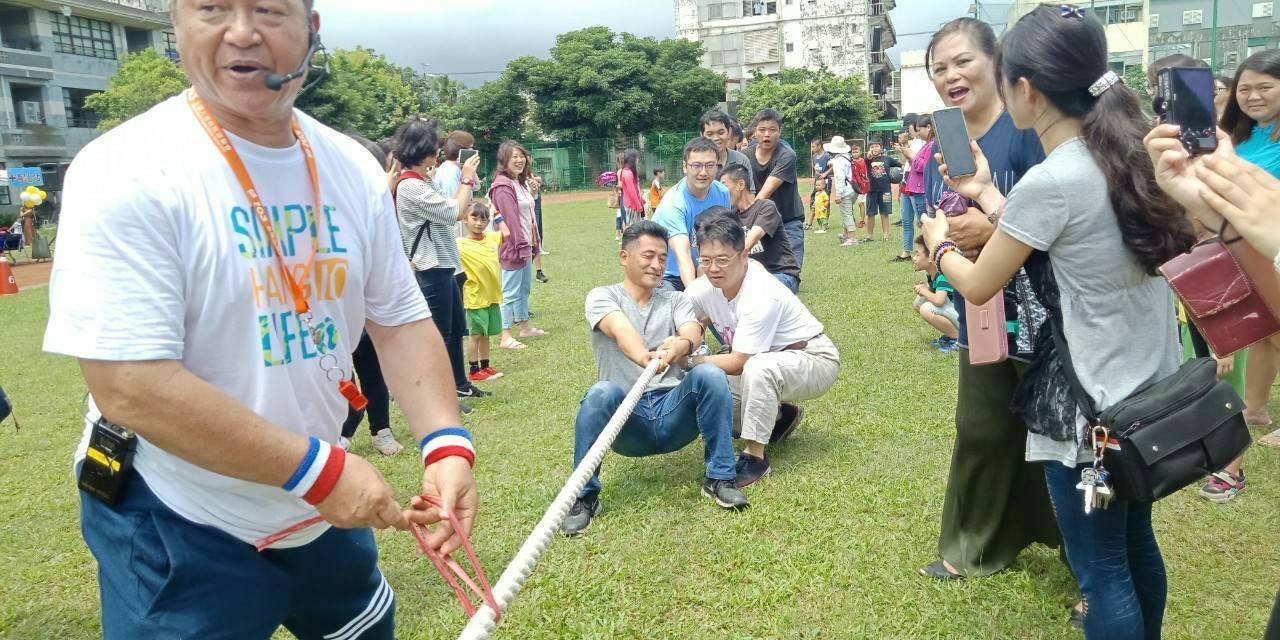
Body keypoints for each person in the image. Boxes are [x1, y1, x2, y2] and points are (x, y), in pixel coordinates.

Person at [42, 1, 477, 635]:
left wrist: (445, 442)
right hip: (177, 516)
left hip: (320, 509)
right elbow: (130, 384)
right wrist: (318, 472)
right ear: (176, 23)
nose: (241, 31)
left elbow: (401, 320)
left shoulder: (349, 167)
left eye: (269, 8)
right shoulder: (126, 170)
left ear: (311, 30)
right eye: (212, 7)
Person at [922, 7, 1195, 636]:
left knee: (1101, 571)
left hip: (1089, 416)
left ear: (1025, 89)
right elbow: (1051, 229)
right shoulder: (1123, 156)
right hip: (1146, 394)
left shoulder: (1055, 178)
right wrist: (989, 190)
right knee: (1134, 546)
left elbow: (979, 280)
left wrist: (938, 244)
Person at [917, 17, 1062, 588]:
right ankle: (972, 543)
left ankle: (1078, 554)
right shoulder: (939, 151)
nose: (950, 76)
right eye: (938, 68)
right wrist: (936, 251)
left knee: (1056, 433)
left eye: (961, 62)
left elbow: (1057, 225)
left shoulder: (1028, 130)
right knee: (981, 425)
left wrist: (989, 229)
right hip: (981, 308)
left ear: (995, 62)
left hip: (1046, 314)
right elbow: (940, 220)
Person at [561, 220, 748, 536]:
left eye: (663, 258)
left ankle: (720, 478)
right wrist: (644, 357)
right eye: (649, 255)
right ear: (624, 257)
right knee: (600, 393)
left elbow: (691, 328)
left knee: (709, 374)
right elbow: (620, 329)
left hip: (673, 412)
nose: (657, 264)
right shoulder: (602, 296)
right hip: (626, 420)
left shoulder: (674, 298)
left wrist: (682, 343)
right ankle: (584, 497)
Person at [686, 211, 840, 488]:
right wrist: (685, 334)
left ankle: (755, 457)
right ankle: (781, 416)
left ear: (743, 256)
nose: (713, 268)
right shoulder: (705, 287)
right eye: (705, 260)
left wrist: (690, 361)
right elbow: (679, 314)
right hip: (771, 361)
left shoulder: (760, 291)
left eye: (722, 260)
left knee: (756, 366)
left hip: (814, 358)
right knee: (712, 394)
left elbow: (740, 361)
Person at [391, 118, 490, 403]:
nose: (437, 151)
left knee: (456, 329)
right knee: (439, 336)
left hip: (445, 265)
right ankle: (440, 397)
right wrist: (466, 177)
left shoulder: (423, 181)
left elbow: (456, 209)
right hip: (430, 267)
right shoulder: (410, 186)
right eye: (433, 147)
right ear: (422, 151)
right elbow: (454, 212)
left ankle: (459, 384)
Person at [488, 140, 548, 350]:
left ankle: (525, 326)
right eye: (514, 156)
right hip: (513, 246)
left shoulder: (519, 182)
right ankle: (505, 335)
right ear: (504, 159)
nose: (519, 160)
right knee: (510, 291)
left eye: (521, 156)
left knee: (524, 288)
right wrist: (521, 246)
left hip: (525, 244)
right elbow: (510, 219)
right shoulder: (503, 186)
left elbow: (526, 211)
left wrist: (532, 192)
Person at [651, 137, 732, 292]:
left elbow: (723, 239)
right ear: (685, 167)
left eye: (710, 165)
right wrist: (697, 298)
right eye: (696, 165)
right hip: (669, 276)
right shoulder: (674, 203)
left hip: (706, 269)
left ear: (717, 167)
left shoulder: (722, 193)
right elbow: (683, 255)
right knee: (678, 308)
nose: (703, 172)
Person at [718, 165, 801, 293]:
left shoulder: (766, 207)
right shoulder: (731, 217)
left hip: (781, 275)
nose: (722, 192)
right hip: (752, 278)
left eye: (724, 186)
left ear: (740, 185)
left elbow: (750, 241)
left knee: (753, 293)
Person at [748, 109, 807, 269]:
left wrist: (747, 217)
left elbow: (765, 192)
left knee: (789, 273)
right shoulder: (745, 156)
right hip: (759, 222)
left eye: (772, 130)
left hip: (787, 221)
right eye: (762, 130)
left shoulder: (786, 155)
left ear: (779, 132)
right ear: (755, 132)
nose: (767, 134)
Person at [457, 202, 505, 383]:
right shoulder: (460, 244)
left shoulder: (491, 238)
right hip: (475, 297)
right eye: (474, 218)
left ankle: (486, 366)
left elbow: (506, 233)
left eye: (483, 219)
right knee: (475, 335)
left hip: (491, 295)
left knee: (486, 334)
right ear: (464, 220)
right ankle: (474, 369)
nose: (478, 223)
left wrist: (497, 214)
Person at [894, 115, 934, 261]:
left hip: (920, 189)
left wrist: (912, 156)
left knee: (924, 223)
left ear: (928, 127)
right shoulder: (924, 144)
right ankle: (909, 251)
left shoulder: (931, 145)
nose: (915, 132)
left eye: (918, 129)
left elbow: (925, 167)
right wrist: (905, 153)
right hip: (910, 186)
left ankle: (928, 254)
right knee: (908, 221)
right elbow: (906, 164)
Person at [911, 235, 959, 352]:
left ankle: (958, 339)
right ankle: (950, 334)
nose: (914, 258)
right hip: (954, 311)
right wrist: (925, 288)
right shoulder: (932, 273)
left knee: (926, 308)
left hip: (963, 317)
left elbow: (939, 300)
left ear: (930, 258)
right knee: (919, 302)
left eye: (918, 254)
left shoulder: (942, 275)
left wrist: (924, 291)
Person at [701, 108, 755, 191]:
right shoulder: (696, 163)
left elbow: (749, 197)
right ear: (702, 135)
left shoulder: (741, 160)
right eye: (710, 134)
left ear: (729, 132)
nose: (716, 138)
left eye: (721, 133)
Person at [862, 143, 901, 244]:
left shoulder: (887, 159)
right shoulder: (867, 160)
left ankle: (886, 235)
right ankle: (870, 236)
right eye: (872, 147)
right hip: (871, 191)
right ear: (869, 149)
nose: (874, 148)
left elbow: (900, 165)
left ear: (881, 147)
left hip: (886, 190)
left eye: (876, 146)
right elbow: (865, 160)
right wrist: (868, 156)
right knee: (870, 213)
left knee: (885, 213)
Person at [825, 135, 859, 247]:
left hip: (845, 190)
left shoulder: (838, 161)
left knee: (847, 214)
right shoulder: (847, 157)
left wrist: (838, 194)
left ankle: (852, 238)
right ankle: (845, 234)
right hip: (853, 189)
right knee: (848, 212)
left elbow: (840, 178)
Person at [807, 138, 832, 229]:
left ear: (819, 146)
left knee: (825, 201)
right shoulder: (813, 156)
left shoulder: (827, 156)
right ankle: (809, 223)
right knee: (814, 200)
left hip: (826, 181)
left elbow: (833, 166)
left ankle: (826, 222)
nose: (812, 148)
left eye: (813, 146)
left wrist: (825, 173)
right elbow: (814, 165)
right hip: (817, 181)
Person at [619, 147, 645, 232]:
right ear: (632, 159)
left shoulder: (629, 172)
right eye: (637, 158)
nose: (638, 160)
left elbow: (636, 189)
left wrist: (641, 200)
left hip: (634, 205)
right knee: (632, 228)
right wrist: (638, 205)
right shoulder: (627, 173)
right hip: (632, 206)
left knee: (635, 228)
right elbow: (632, 192)